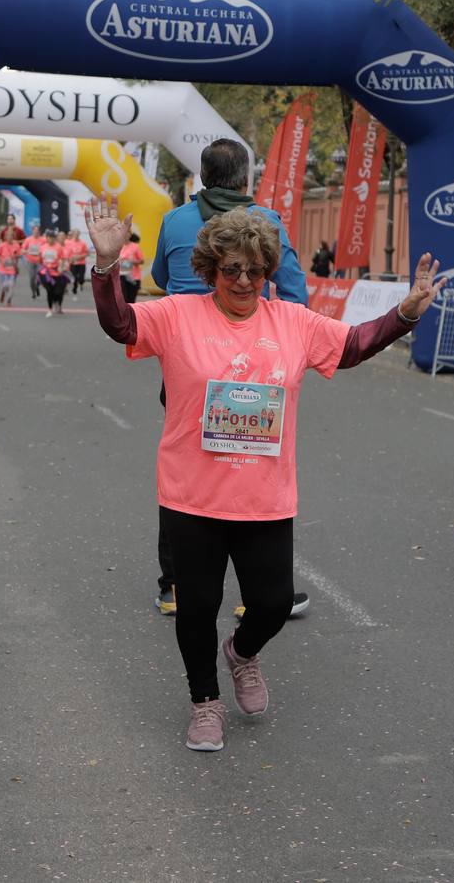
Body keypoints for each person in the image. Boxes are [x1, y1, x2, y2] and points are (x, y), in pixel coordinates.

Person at [86, 196, 443, 751]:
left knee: (274, 603)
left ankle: (243, 654)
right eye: (232, 269)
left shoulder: (292, 322)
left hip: (265, 498)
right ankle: (205, 703)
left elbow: (352, 346)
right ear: (210, 269)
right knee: (198, 608)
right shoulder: (179, 314)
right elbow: (120, 324)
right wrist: (107, 267)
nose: (245, 280)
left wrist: (407, 313)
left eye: (256, 270)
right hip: (192, 495)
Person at [148, 139, 312, 618]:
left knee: (183, 466)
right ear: (246, 180)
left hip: (187, 364)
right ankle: (254, 592)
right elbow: (295, 292)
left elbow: (160, 278)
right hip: (254, 364)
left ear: (202, 177)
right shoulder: (268, 222)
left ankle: (173, 585)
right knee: (250, 465)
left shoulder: (175, 220)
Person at [39, 230, 68, 316]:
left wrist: (61, 267)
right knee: (49, 291)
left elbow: (62, 258)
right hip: (46, 273)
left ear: (54, 238)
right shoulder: (43, 247)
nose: (50, 239)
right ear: (46, 238)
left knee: (58, 292)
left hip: (56, 272)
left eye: (52, 237)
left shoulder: (58, 247)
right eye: (48, 237)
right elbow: (40, 259)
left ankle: (57, 303)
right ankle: (50, 309)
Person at [0, 226, 22, 306]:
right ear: (5, 237)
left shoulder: (16, 245)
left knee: (11, 286)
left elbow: (19, 255)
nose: (9, 237)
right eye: (8, 236)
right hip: (3, 269)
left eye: (11, 236)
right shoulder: (2, 245)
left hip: (12, 269)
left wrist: (15, 259)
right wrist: (1, 261)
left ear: (13, 237)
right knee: (5, 285)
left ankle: (9, 301)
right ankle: (3, 293)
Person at [118, 233, 144, 304]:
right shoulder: (120, 246)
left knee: (131, 299)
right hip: (122, 275)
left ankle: (131, 314)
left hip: (133, 277)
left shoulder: (135, 247)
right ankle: (124, 314)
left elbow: (142, 261)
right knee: (123, 298)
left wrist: (133, 261)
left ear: (129, 235)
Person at [22, 221, 45, 299]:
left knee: (40, 277)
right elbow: (22, 250)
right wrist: (27, 251)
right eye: (34, 231)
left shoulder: (43, 240)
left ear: (39, 232)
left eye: (37, 231)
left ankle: (37, 286)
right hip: (31, 261)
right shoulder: (28, 240)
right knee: (32, 278)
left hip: (40, 261)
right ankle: (33, 291)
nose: (36, 232)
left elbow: (47, 248)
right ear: (32, 231)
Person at [66, 230, 89, 294]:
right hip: (73, 263)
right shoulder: (69, 243)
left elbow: (87, 253)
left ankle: (81, 283)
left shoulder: (82, 243)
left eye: (77, 234)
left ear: (79, 235)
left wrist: (79, 257)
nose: (76, 236)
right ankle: (75, 288)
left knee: (81, 278)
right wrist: (70, 259)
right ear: (73, 235)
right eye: (75, 234)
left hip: (81, 263)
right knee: (74, 277)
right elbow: (66, 253)